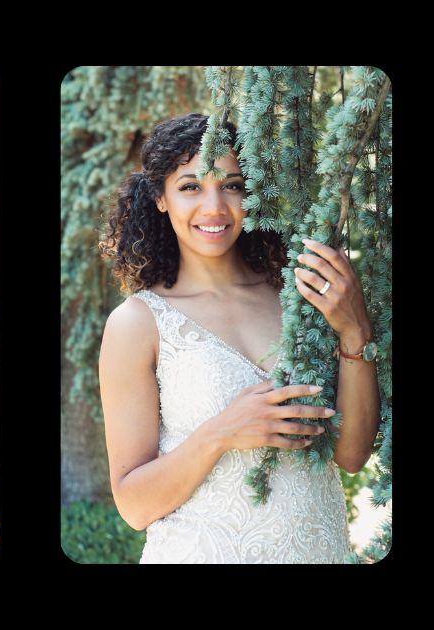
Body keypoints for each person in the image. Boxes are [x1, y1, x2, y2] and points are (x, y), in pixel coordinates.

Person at [97, 112, 380, 563]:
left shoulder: (299, 294)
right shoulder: (137, 323)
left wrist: (354, 330)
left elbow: (350, 455)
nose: (214, 207)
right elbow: (134, 506)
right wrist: (221, 433)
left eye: (232, 185)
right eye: (191, 186)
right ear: (161, 198)